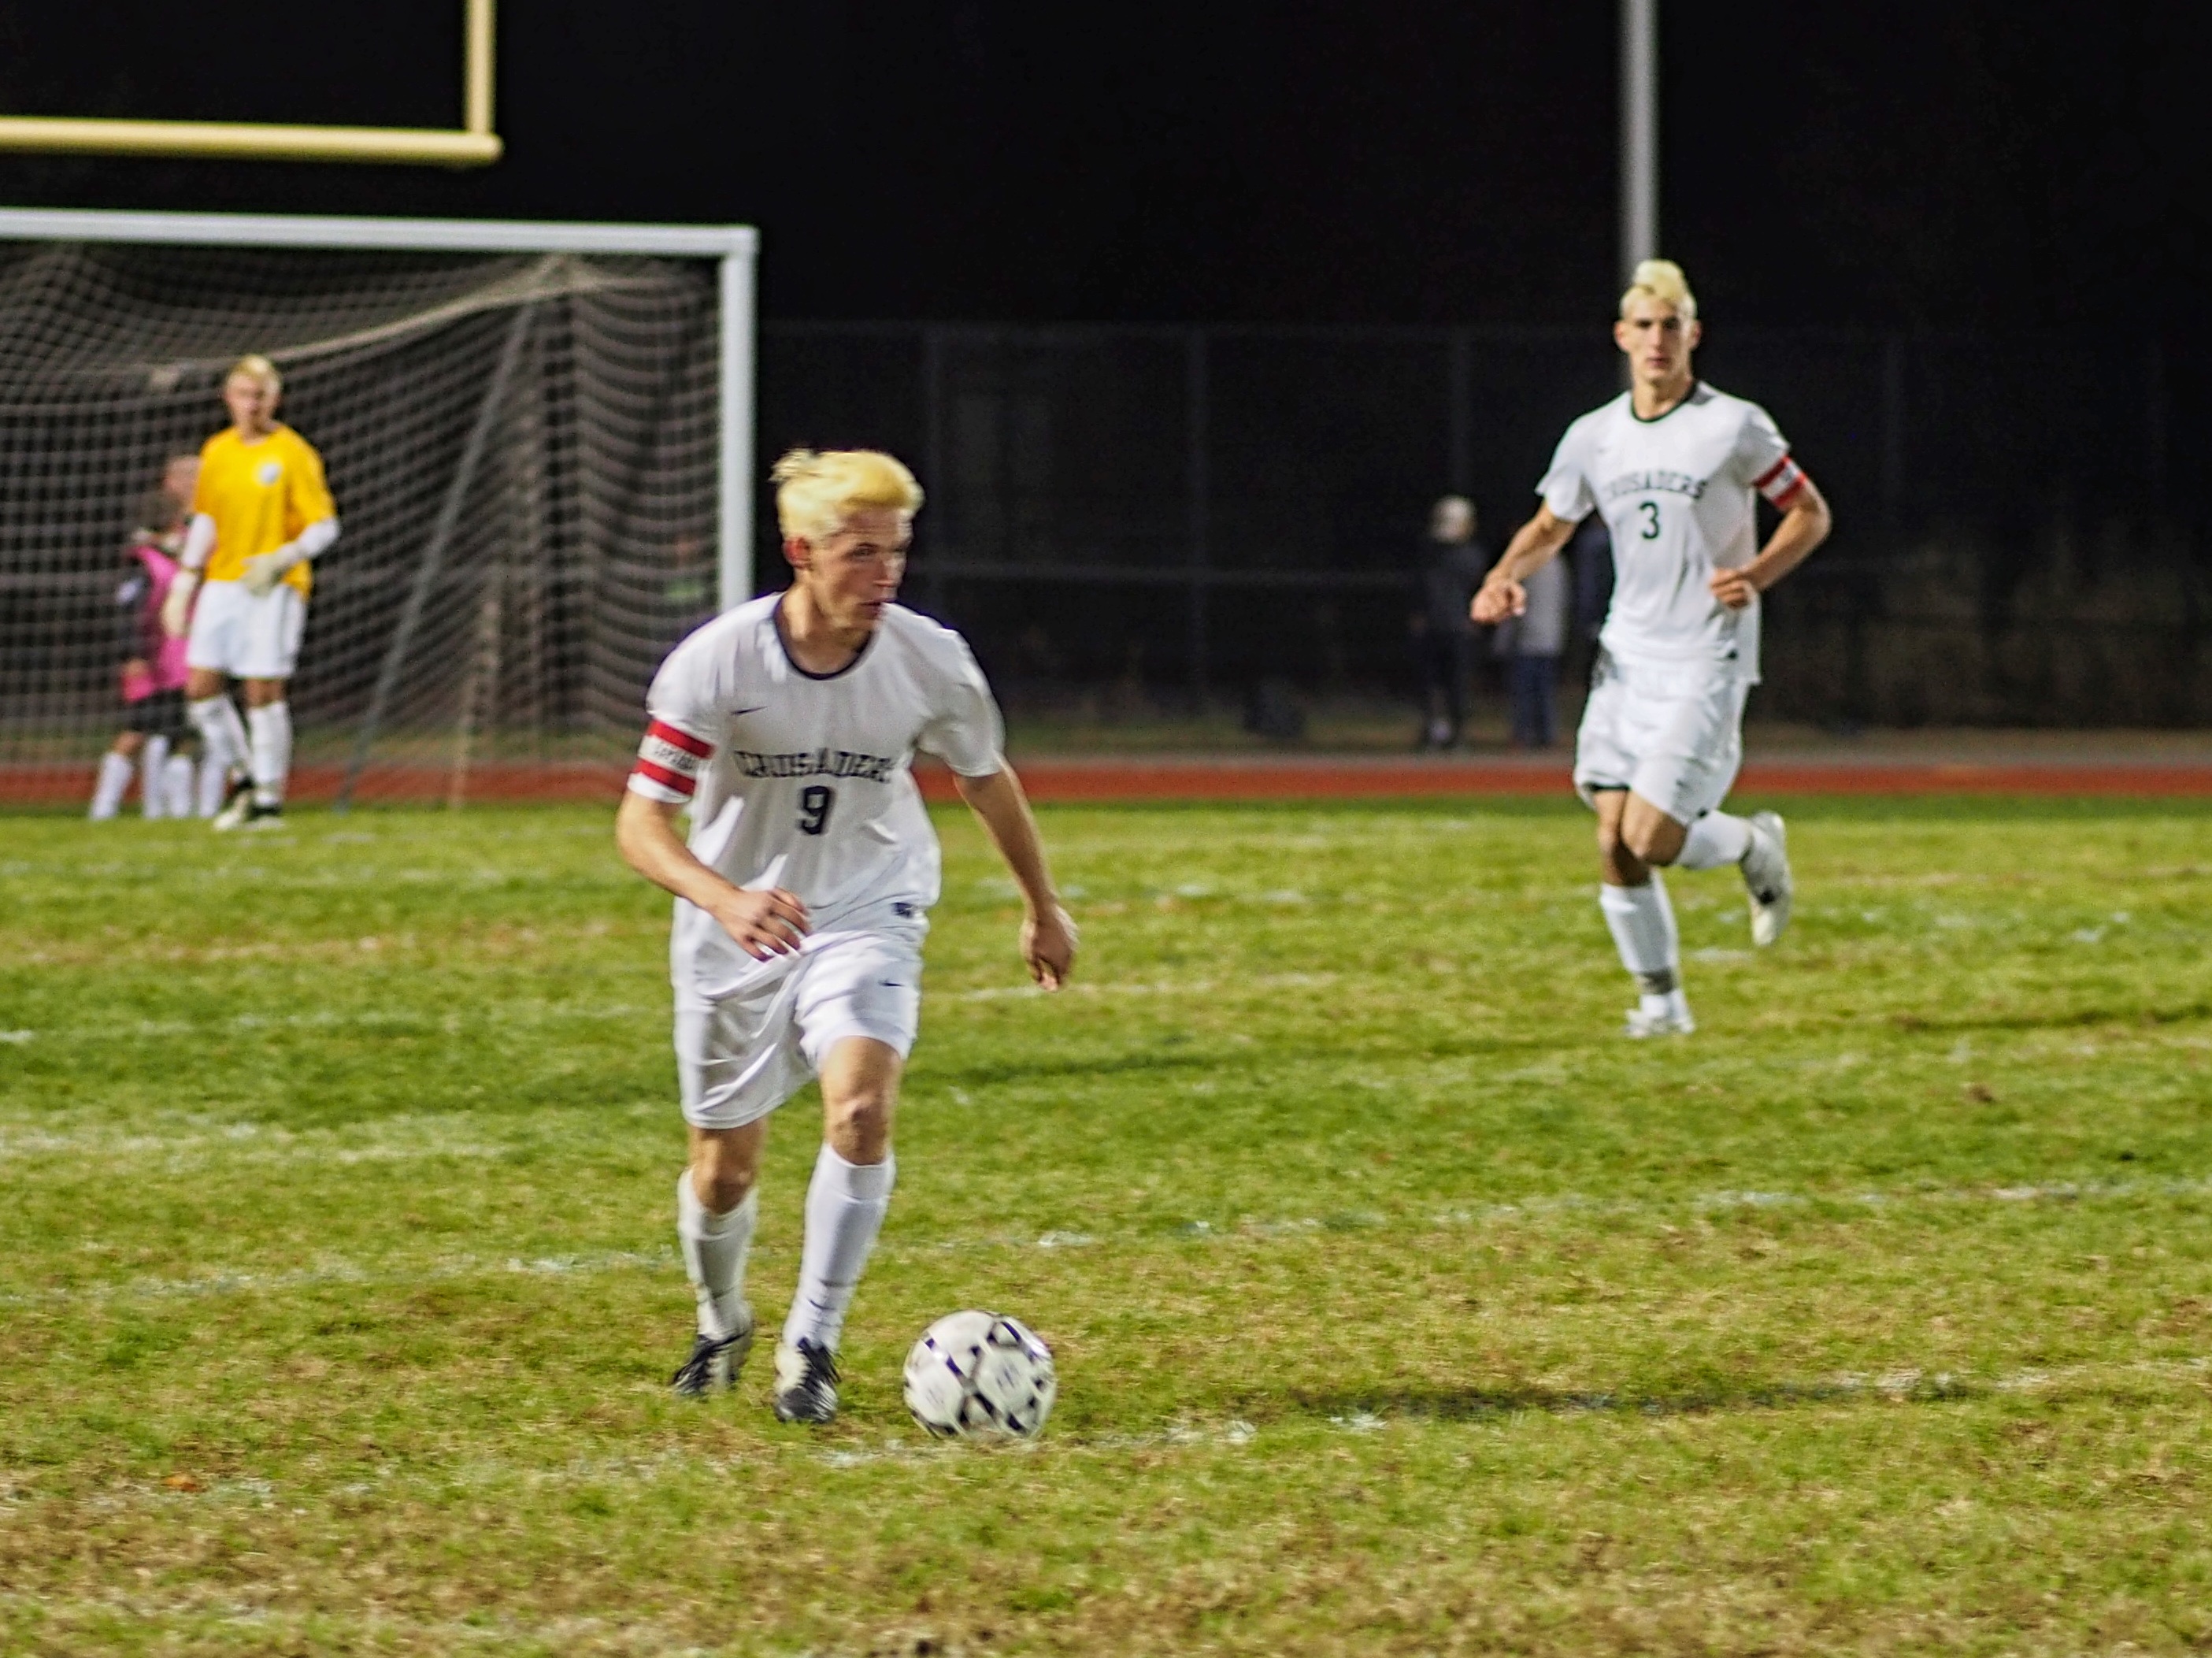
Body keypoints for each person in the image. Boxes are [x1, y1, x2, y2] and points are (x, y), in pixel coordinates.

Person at [615, 447, 1077, 1423]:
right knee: (723, 1169)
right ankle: (722, 1318)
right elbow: (640, 823)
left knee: (861, 1111)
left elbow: (984, 776)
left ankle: (811, 1343)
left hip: (870, 907)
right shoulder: (718, 660)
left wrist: (1041, 903)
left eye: (896, 552)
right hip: (737, 932)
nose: (885, 573)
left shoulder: (929, 657)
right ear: (801, 550)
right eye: (862, 552)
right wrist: (724, 897)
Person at [1473, 260, 1832, 1037]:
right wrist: (1502, 576)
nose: (1657, 339)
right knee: (1613, 841)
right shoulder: (1593, 436)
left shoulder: (1732, 425)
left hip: (1705, 655)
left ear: (1693, 334)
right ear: (1621, 336)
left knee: (1651, 836)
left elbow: (1809, 512)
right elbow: (1550, 525)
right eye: (1644, 325)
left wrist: (1755, 574)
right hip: (1627, 659)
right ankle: (1661, 1006)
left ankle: (1751, 843)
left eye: (1672, 325)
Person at [161, 355, 341, 830]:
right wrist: (185, 581)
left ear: (275, 399)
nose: (252, 405)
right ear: (229, 398)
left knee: (263, 689)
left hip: (274, 586)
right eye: (244, 395)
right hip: (224, 582)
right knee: (200, 690)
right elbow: (207, 518)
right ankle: (244, 779)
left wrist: (282, 559)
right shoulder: (218, 451)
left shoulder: (293, 453)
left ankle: (268, 798)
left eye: (260, 395)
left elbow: (325, 526)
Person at [89, 458, 203, 821]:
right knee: (138, 729)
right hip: (155, 658)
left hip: (180, 657)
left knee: (178, 733)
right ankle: (104, 807)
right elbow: (129, 609)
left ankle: (169, 810)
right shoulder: (143, 560)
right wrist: (132, 654)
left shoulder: (182, 547)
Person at [1407, 495, 1488, 748]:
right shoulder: (1440, 555)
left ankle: (1451, 732)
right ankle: (1441, 731)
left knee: (1450, 685)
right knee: (1438, 684)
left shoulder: (1463, 556)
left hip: (1452, 628)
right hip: (1445, 627)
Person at [1491, 540, 1569, 748]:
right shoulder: (1558, 564)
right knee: (1545, 691)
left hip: (1527, 638)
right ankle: (1546, 735)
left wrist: (1503, 639)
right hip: (1551, 638)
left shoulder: (1527, 565)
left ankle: (1523, 734)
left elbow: (1515, 603)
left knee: (1524, 691)